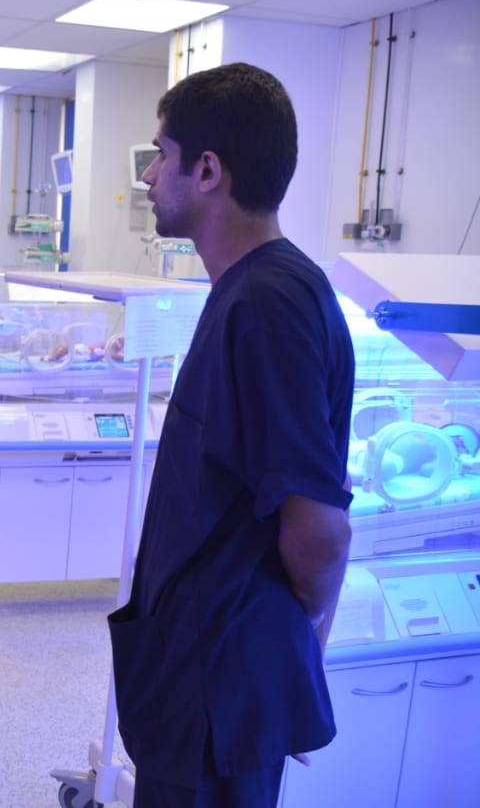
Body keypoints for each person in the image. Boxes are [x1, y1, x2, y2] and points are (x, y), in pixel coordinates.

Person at [108, 62, 354, 808]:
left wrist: (292, 646)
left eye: (162, 155)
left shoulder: (270, 305)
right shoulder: (245, 291)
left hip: (224, 682)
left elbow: (319, 531)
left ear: (209, 170)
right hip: (205, 668)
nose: (149, 174)